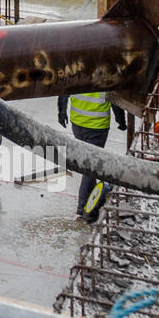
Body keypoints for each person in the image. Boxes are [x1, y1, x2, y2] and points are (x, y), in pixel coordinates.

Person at [57, 91, 126, 223]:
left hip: (77, 124)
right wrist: (121, 120)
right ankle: (83, 207)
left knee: (90, 166)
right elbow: (115, 102)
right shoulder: (106, 76)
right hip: (97, 127)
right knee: (90, 168)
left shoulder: (78, 72)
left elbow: (64, 92)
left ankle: (92, 202)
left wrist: (61, 113)